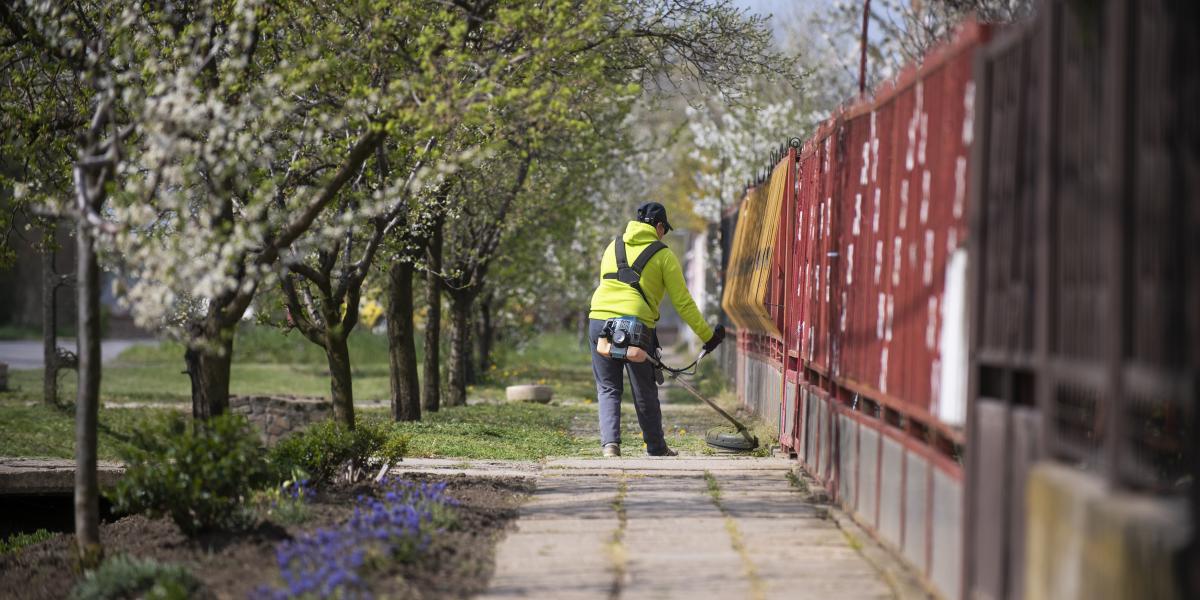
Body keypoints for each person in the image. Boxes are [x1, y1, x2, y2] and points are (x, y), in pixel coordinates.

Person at [588, 202, 725, 457]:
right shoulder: (663, 255)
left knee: (608, 387)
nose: (664, 235)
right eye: (665, 230)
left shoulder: (612, 246)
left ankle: (610, 446)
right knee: (644, 388)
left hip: (599, 320)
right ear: (659, 226)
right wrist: (708, 336)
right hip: (635, 324)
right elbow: (683, 303)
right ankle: (656, 447)